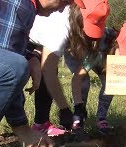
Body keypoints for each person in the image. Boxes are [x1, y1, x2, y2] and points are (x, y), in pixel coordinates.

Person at [0, 0, 72, 147]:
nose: (61, 10)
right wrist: (23, 129)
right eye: (63, 1)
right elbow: (7, 66)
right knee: (16, 66)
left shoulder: (27, 6)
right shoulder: (20, 4)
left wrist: (31, 56)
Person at [29, 0, 110, 138]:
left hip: (36, 40)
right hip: (20, 37)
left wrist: (78, 106)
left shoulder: (72, 14)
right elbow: (47, 70)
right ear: (79, 18)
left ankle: (41, 124)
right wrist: (64, 110)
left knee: (47, 77)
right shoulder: (61, 28)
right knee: (15, 76)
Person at [66, 5, 126, 135]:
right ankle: (78, 118)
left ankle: (101, 118)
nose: (125, 59)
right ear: (116, 45)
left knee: (110, 83)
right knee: (84, 81)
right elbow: (76, 79)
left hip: (103, 58)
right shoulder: (97, 51)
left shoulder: (117, 48)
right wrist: (78, 105)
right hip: (76, 49)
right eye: (124, 54)